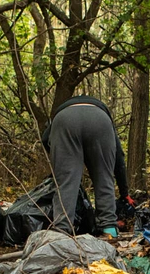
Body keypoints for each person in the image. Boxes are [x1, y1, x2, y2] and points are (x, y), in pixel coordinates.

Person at [41, 94, 129, 238]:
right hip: (100, 120)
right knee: (104, 177)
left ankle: (62, 232)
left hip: (64, 120)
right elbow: (118, 157)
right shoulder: (102, 113)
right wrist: (125, 192)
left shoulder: (62, 111)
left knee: (66, 183)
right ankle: (109, 230)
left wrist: (60, 165)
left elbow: (45, 139)